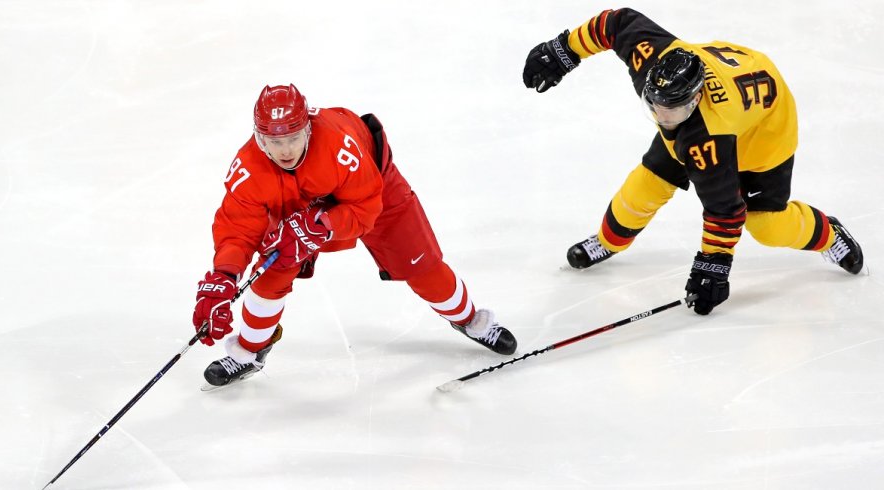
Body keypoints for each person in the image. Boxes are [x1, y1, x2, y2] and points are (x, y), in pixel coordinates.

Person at [522, 8, 864, 315]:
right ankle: (608, 240)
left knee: (766, 225)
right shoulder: (657, 66)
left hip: (766, 130)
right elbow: (617, 23)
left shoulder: (705, 137)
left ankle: (827, 233)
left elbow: (725, 210)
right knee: (646, 184)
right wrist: (564, 49)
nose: (662, 116)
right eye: (656, 107)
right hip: (736, 84)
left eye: (672, 110)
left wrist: (712, 266)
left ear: (696, 97)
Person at [192, 84, 517, 388]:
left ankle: (470, 319)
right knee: (271, 272)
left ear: (307, 128)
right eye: (275, 142)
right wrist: (224, 275)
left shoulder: (338, 145)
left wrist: (323, 223)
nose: (285, 150)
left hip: (373, 189)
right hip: (299, 204)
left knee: (422, 266)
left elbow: (366, 208)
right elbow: (237, 228)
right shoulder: (249, 168)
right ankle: (249, 351)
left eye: (292, 137)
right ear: (260, 138)